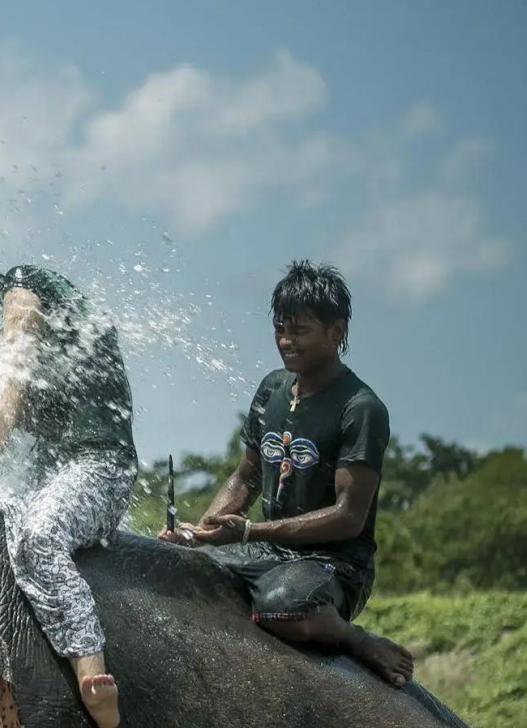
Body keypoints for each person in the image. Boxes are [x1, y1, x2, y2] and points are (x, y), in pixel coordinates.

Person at [157, 260, 414, 686]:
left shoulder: (360, 409)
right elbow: (245, 478)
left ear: (336, 333)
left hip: (334, 563)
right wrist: (199, 534)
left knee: (281, 607)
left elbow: (348, 517)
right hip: (270, 552)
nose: (286, 341)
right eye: (280, 329)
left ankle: (356, 638)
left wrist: (248, 534)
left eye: (300, 331)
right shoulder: (272, 389)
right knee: (172, 566)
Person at [0, 265, 137, 728]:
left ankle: (92, 670)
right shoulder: (53, 322)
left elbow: (13, 370)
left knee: (39, 537)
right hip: (54, 468)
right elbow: (32, 405)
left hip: (99, 465)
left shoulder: (22, 291)